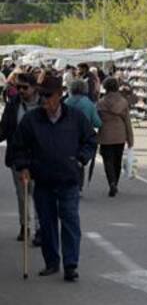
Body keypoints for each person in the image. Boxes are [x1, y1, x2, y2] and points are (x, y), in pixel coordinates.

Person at [11, 72, 96, 281]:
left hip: (68, 179)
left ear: (59, 95)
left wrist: (81, 159)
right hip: (43, 180)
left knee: (70, 222)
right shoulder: (32, 119)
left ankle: (70, 265)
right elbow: (18, 146)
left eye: (48, 95)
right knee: (47, 224)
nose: (44, 100)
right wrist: (23, 166)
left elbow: (90, 140)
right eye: (42, 95)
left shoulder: (75, 117)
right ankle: (51, 262)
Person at [0, 71, 41, 243]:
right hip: (18, 156)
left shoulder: (44, 103)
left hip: (40, 157)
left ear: (34, 88)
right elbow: (4, 128)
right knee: (22, 194)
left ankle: (40, 228)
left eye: (25, 87)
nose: (21, 91)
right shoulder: (13, 104)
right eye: (18, 87)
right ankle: (25, 225)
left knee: (39, 193)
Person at [96, 76, 134, 197]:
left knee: (108, 160)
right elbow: (127, 121)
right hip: (120, 134)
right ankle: (115, 183)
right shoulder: (123, 102)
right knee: (117, 160)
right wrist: (130, 138)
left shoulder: (101, 102)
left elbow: (97, 120)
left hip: (105, 134)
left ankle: (111, 182)